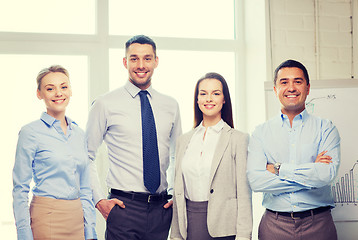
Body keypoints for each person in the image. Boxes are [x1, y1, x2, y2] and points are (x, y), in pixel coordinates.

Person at [86, 35, 182, 240]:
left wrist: (175, 193)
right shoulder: (105, 104)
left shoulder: (170, 105)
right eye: (134, 58)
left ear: (156, 61)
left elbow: (178, 155)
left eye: (147, 58)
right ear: (125, 62)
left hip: (161, 209)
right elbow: (86, 156)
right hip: (123, 209)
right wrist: (99, 200)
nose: (141, 65)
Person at [247, 59, 340, 240]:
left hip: (319, 224)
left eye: (297, 81)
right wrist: (310, 172)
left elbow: (326, 175)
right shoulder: (260, 133)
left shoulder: (326, 129)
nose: (291, 88)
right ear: (275, 90)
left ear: (308, 87)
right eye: (284, 82)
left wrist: (278, 169)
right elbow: (256, 181)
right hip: (274, 226)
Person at [12, 65, 97, 240]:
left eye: (63, 87)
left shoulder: (79, 134)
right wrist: (24, 235)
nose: (58, 93)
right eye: (50, 88)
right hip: (46, 217)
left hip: (77, 219)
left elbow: (85, 187)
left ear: (71, 91)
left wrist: (90, 231)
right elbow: (20, 188)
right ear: (39, 94)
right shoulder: (30, 132)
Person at [171, 72, 253, 240]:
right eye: (203, 94)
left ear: (224, 99)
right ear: (197, 99)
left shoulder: (238, 139)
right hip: (190, 225)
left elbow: (244, 194)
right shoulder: (184, 140)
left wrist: (244, 236)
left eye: (215, 93)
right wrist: (175, 235)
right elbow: (178, 192)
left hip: (225, 228)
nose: (209, 99)